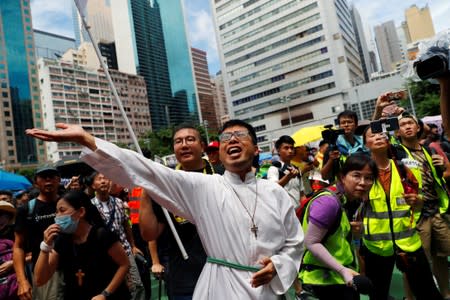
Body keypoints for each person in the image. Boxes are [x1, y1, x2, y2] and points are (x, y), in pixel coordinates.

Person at [26, 119, 304, 299]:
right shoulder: (204, 186)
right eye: (226, 137)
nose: (232, 139)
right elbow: (147, 170)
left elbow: (294, 244)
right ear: (218, 154)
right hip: (222, 288)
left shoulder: (276, 193)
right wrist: (88, 140)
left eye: (240, 135)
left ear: (256, 148)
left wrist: (278, 266)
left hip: (267, 291)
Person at [361, 126, 442, 300]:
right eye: (372, 135)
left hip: (409, 241)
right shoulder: (362, 173)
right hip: (376, 247)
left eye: (381, 133)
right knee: (377, 295)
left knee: (428, 292)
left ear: (388, 139)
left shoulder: (405, 168)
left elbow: (418, 203)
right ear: (365, 144)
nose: (378, 136)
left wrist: (418, 202)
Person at [146, 125, 213, 299]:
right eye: (178, 141)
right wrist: (146, 187)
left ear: (202, 146)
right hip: (184, 277)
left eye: (190, 139)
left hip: (223, 269)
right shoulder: (166, 186)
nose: (184, 145)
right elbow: (149, 233)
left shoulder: (221, 176)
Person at [300, 154, 377, 299]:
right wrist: (342, 270)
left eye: (369, 178)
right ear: (342, 177)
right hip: (325, 283)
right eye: (356, 176)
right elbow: (311, 242)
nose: (363, 183)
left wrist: (357, 232)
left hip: (341, 278)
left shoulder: (349, 200)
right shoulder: (328, 202)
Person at [393, 113, 450, 299]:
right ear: (397, 131)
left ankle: (446, 294)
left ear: (418, 128)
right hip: (415, 215)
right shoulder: (396, 153)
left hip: (436, 212)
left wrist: (441, 167)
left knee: (441, 256)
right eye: (402, 124)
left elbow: (437, 178)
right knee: (414, 264)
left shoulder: (429, 150)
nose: (407, 126)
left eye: (411, 123)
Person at [34, 191, 130, 300]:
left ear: (81, 212)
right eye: (56, 212)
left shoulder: (102, 235)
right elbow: (39, 280)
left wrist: (105, 294)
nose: (57, 217)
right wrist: (45, 247)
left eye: (62, 211)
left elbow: (124, 265)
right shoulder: (62, 240)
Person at [89, 172, 145, 300]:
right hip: (105, 255)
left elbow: (126, 226)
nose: (104, 181)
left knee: (136, 286)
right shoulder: (90, 206)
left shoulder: (119, 202)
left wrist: (133, 245)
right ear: (93, 185)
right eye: (99, 179)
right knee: (112, 287)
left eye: (106, 178)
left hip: (125, 251)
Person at [13, 166, 63, 300]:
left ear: (59, 180)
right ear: (36, 182)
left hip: (73, 268)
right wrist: (22, 281)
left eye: (52, 176)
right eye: (43, 177)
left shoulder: (68, 203)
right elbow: (18, 246)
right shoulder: (26, 210)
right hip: (44, 272)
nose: (48, 180)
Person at [321, 110, 366, 183]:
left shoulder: (364, 145)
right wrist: (331, 160)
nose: (346, 125)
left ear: (356, 125)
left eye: (349, 122)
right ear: (339, 126)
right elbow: (324, 176)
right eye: (343, 123)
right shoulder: (333, 147)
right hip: (343, 190)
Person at [267, 135, 302, 208]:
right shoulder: (274, 169)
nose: (290, 151)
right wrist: (288, 177)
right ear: (278, 150)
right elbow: (273, 188)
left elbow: (302, 193)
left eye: (292, 148)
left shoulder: (297, 169)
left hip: (299, 212)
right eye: (286, 148)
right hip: (284, 214)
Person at [0, 200, 18, 300]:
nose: (2, 219)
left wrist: (12, 263)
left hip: (12, 289)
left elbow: (30, 255)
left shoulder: (12, 238)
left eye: (6, 216)